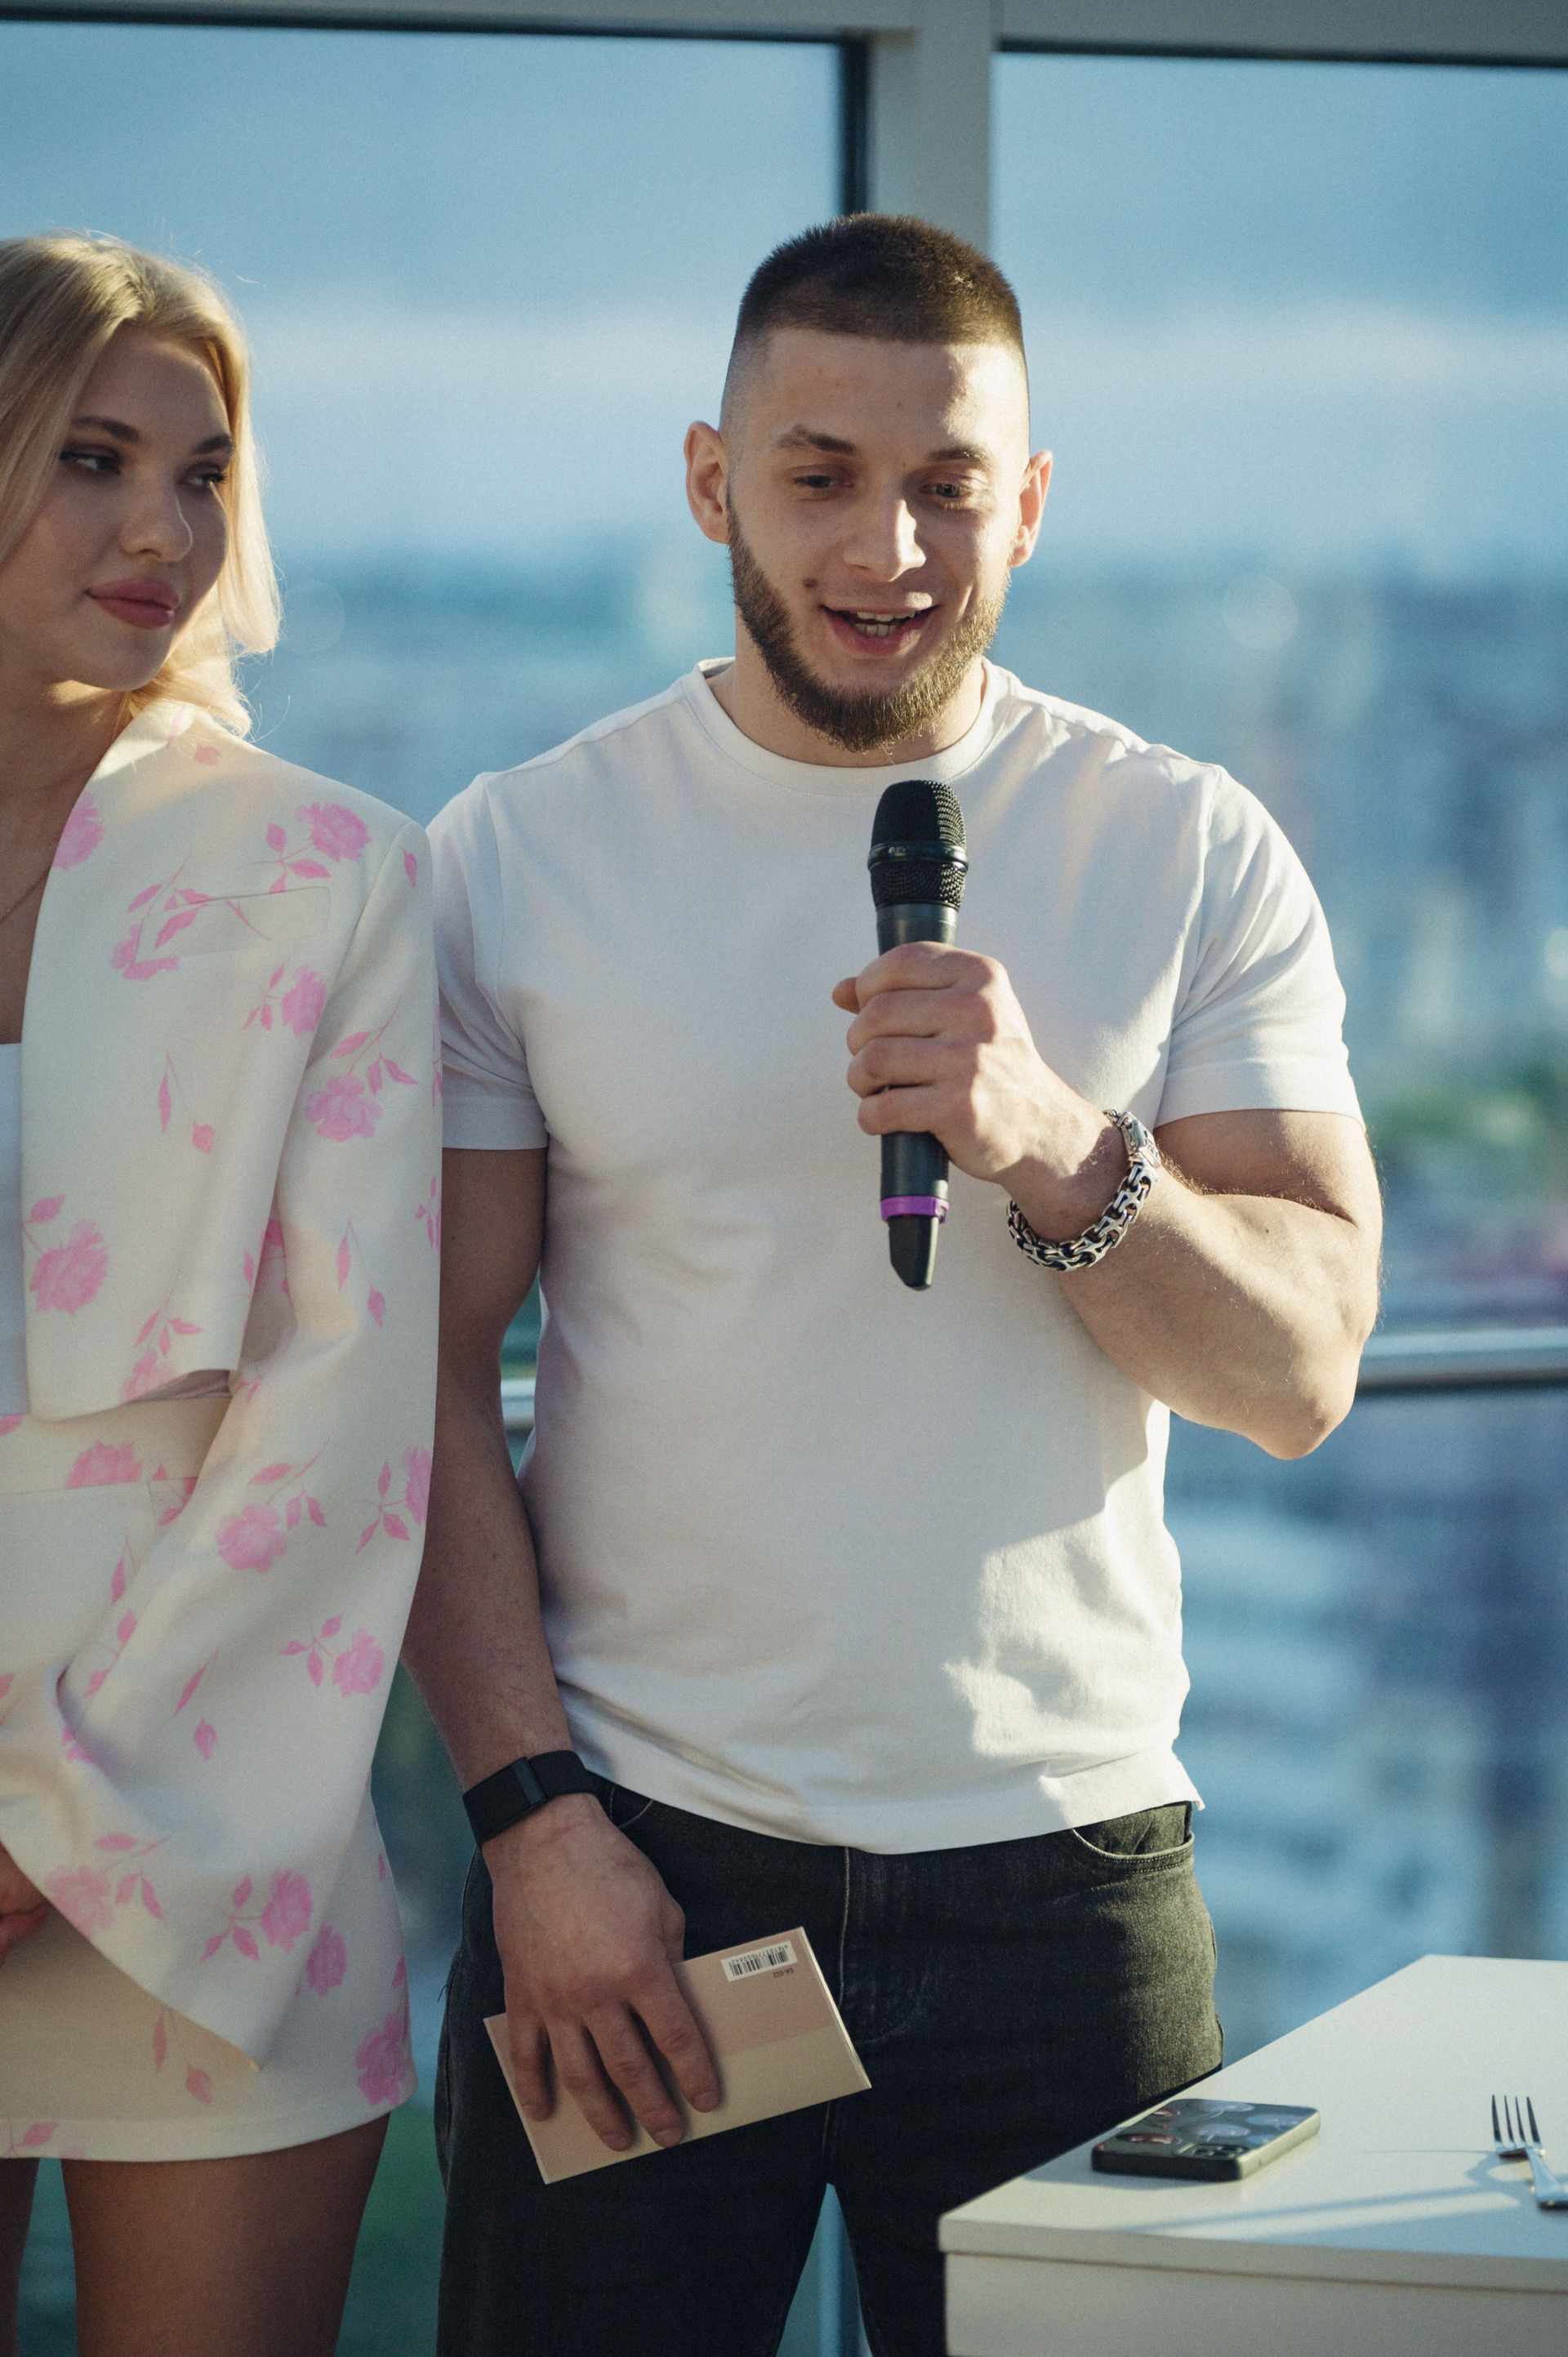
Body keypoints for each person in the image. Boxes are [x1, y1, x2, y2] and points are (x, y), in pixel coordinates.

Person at [412, 215, 1380, 2357]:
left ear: (1027, 503)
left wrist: (1059, 1145)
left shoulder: (1188, 843)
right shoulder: (517, 852)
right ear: (711, 483)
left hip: (1070, 1889)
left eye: (949, 483)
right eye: (820, 474)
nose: (889, 546)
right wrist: (530, 1821)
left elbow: (1304, 1369)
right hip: (642, 1874)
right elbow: (425, 1377)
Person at [0, 234, 439, 2357]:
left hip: (209, 1845)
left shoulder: (329, 872)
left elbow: (347, 1406)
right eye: (93, 458)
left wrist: (54, 1832)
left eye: (202, 473)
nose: (163, 529)